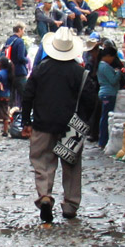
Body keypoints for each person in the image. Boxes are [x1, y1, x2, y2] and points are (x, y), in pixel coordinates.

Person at [21, 28, 97, 223]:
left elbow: (27, 95)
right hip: (72, 126)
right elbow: (90, 100)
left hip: (43, 123)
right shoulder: (80, 72)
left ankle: (45, 195)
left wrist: (27, 121)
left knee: (43, 163)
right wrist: (84, 122)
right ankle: (70, 205)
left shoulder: (41, 69)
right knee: (71, 166)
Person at [0, 24, 31, 136]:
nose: (23, 32)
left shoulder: (9, 40)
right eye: (23, 30)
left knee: (11, 98)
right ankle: (24, 120)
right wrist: (27, 60)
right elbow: (21, 57)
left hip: (9, 72)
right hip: (19, 71)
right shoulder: (19, 42)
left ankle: (8, 122)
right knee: (25, 96)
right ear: (19, 30)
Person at [94, 44, 123, 148]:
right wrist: (118, 72)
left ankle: (103, 140)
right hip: (108, 94)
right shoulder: (105, 66)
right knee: (106, 118)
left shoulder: (101, 65)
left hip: (105, 94)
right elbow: (113, 80)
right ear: (108, 56)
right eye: (112, 57)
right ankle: (103, 141)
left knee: (105, 118)